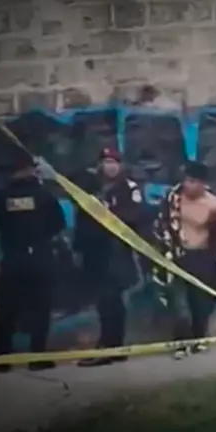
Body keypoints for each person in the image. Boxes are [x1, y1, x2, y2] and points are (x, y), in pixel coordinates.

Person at [0, 149, 66, 373]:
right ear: (31, 170)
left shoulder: (1, 196)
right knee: (41, 307)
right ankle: (37, 358)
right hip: (40, 257)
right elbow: (58, 224)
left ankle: (3, 359)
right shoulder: (44, 195)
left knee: (8, 309)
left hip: (13, 258)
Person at [150, 161, 216, 359]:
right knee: (178, 304)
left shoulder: (214, 205)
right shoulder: (173, 199)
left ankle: (198, 339)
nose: (188, 185)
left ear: (202, 183)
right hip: (177, 255)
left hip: (202, 256)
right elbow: (162, 225)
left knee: (200, 303)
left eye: (193, 181)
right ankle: (181, 343)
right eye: (186, 180)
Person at [74, 148, 144, 367]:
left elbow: (135, 216)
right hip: (95, 253)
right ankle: (110, 345)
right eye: (106, 161)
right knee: (104, 302)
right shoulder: (92, 187)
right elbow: (82, 219)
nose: (110, 166)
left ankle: (111, 345)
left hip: (116, 254)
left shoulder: (129, 188)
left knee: (110, 299)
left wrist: (109, 211)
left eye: (114, 161)